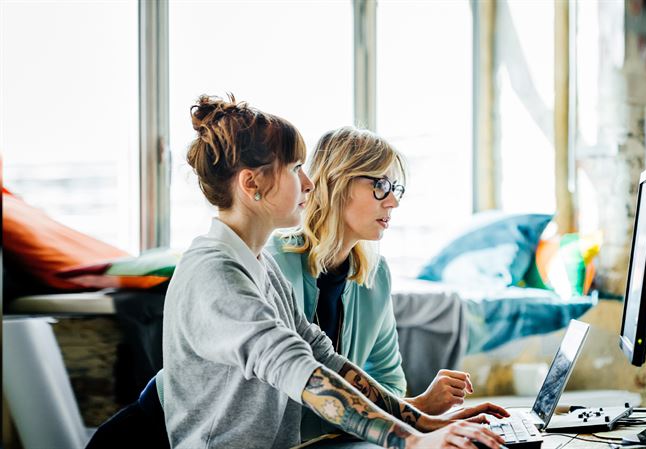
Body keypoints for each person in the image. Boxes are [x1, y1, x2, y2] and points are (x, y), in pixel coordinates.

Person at [161, 95, 508, 449]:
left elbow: (323, 358)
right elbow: (298, 370)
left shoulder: (260, 266)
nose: (310, 184)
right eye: (296, 169)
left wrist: (424, 422)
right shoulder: (216, 273)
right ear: (252, 185)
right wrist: (414, 442)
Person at [267, 126, 494, 439]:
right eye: (381, 185)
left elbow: (388, 383)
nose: (393, 202)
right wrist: (418, 410)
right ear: (338, 182)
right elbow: (281, 400)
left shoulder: (375, 275)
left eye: (395, 189)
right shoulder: (274, 262)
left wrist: (417, 411)